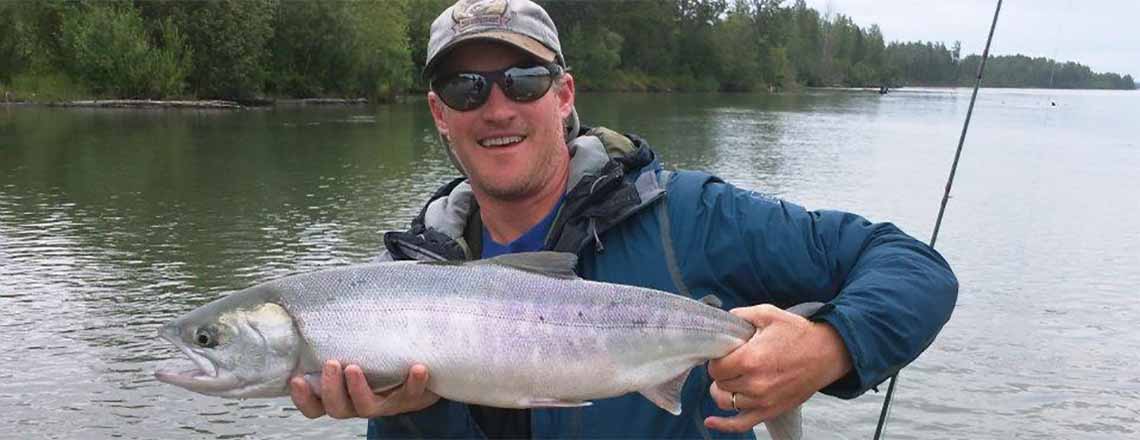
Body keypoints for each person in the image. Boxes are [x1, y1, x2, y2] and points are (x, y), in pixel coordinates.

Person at [289, 0, 958, 438]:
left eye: (522, 80)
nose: (496, 109)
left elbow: (911, 267)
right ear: (439, 114)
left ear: (563, 96)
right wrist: (404, 415)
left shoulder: (692, 217)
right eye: (466, 89)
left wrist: (827, 347)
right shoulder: (399, 280)